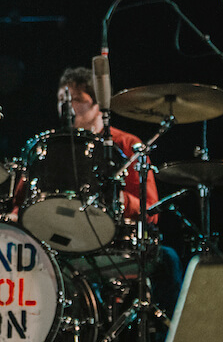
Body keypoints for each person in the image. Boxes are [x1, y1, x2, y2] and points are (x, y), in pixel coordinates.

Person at [55, 66, 183, 318]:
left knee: (167, 259)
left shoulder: (127, 145)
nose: (66, 107)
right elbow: (24, 203)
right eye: (61, 100)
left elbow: (151, 211)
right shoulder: (53, 149)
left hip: (117, 246)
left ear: (98, 104)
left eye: (75, 99)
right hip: (68, 246)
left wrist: (117, 199)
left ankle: (175, 341)